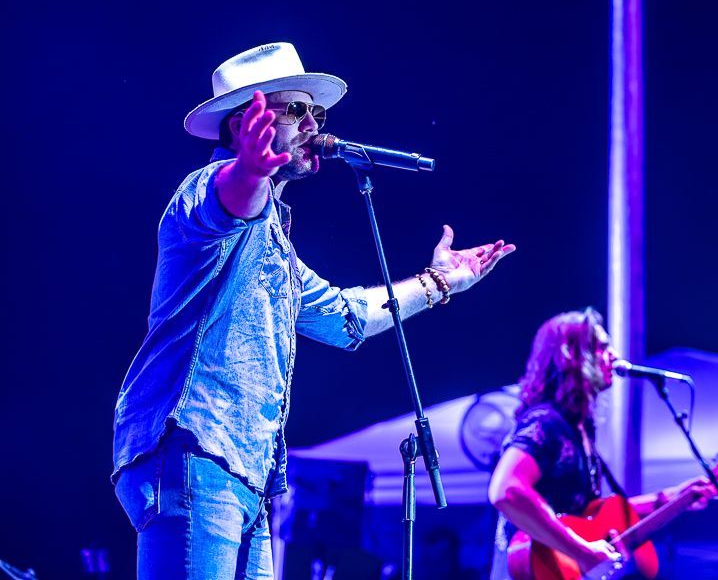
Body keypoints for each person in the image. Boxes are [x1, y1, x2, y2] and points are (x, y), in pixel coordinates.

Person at [112, 42, 515, 579]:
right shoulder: (206, 191)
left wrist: (442, 281)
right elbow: (230, 201)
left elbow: (348, 317)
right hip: (193, 449)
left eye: (317, 113)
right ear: (241, 125)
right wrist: (252, 171)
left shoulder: (277, 246)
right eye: (295, 110)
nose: (312, 124)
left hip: (248, 471)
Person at [488, 308, 716, 579]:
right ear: (572, 356)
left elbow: (589, 518)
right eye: (603, 348)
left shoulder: (580, 428)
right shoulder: (546, 423)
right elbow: (506, 490)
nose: (615, 357)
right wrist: (582, 552)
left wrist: (672, 498)